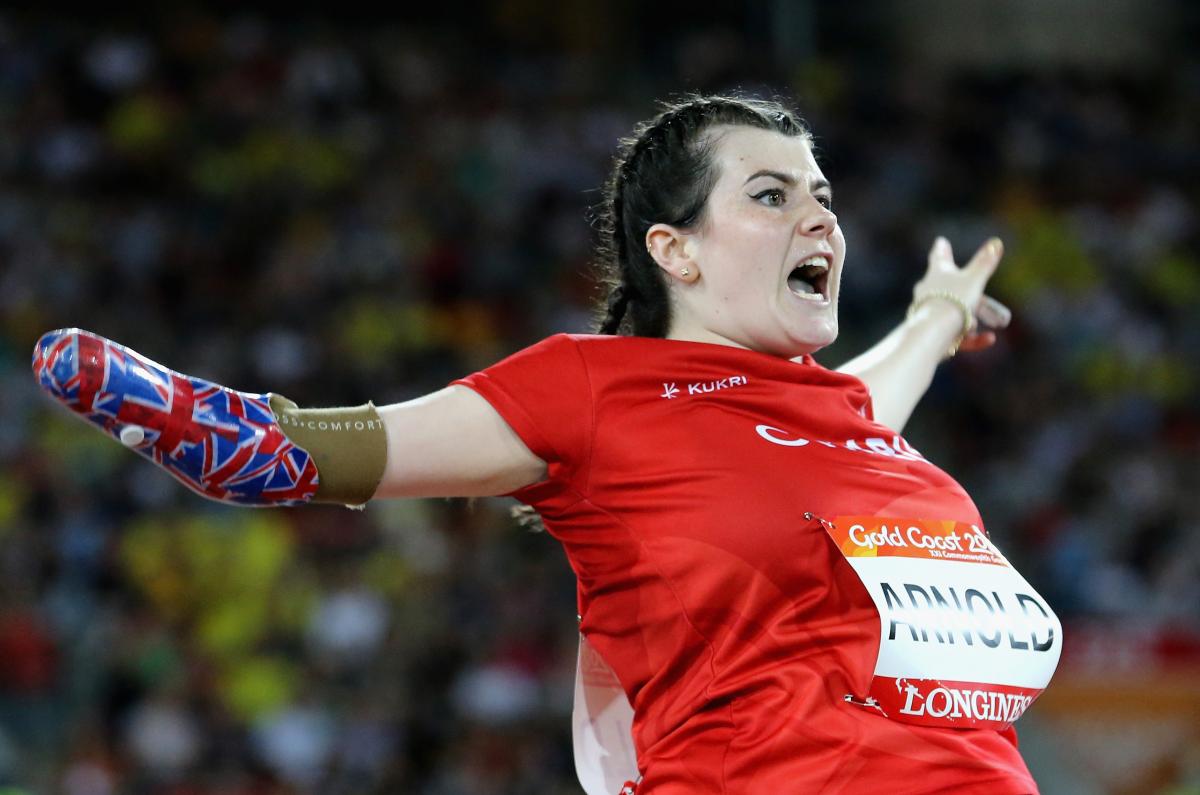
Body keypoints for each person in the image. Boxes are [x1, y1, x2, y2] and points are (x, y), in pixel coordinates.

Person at [33, 94, 1060, 794]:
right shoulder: (594, 391)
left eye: (825, 196)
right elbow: (281, 455)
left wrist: (937, 312)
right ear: (677, 250)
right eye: (773, 195)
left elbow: (875, 395)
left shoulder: (848, 431)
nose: (821, 221)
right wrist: (135, 389)